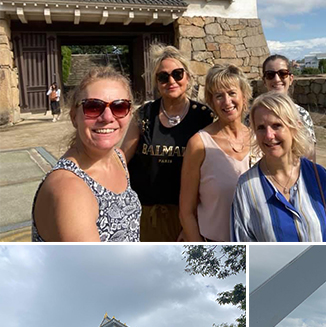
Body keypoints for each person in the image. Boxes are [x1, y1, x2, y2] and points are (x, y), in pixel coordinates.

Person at [31, 66, 141, 241]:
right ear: (74, 116)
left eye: (119, 107)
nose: (107, 117)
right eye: (93, 107)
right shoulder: (69, 189)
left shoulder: (118, 157)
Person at [231, 92, 326, 242]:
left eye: (277, 126)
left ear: (295, 127)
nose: (269, 135)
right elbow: (244, 247)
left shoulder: (318, 176)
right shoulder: (247, 188)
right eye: (261, 128)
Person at [123, 45, 213, 241]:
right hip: (146, 215)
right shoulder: (144, 115)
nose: (171, 81)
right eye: (163, 77)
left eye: (177, 74)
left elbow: (211, 174)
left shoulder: (203, 116)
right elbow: (121, 161)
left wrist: (191, 223)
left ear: (187, 77)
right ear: (157, 82)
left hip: (189, 214)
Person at [180, 64, 252, 242]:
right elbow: (186, 211)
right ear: (211, 102)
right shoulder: (199, 144)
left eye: (232, 93)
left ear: (244, 95)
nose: (227, 102)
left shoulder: (260, 139)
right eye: (219, 96)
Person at [261, 54, 316, 148]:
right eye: (270, 75)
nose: (277, 79)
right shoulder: (254, 115)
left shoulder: (302, 115)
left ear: (291, 79)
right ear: (264, 81)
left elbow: (310, 155)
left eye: (282, 73)